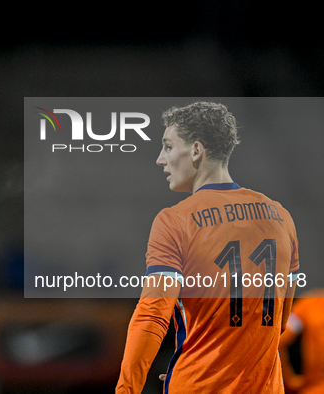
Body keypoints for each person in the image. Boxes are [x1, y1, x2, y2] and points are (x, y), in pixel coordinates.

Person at [116, 101, 300, 394]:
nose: (160, 159)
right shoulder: (281, 217)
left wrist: (127, 389)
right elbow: (278, 321)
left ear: (196, 151)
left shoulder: (175, 220)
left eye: (168, 147)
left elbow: (152, 315)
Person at [278, 289, 324, 394]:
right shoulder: (309, 306)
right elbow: (280, 342)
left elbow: (279, 341)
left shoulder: (310, 305)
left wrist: (288, 382)